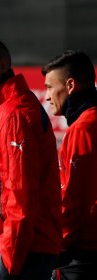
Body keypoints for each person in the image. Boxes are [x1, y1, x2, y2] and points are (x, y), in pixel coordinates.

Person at [0, 35, 62, 280]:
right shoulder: (4, 111)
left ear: (2, 65)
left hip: (18, 252)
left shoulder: (14, 113)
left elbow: (21, 194)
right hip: (9, 248)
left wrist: (8, 262)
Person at [42, 50, 97, 280]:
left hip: (82, 254)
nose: (46, 96)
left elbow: (75, 199)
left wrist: (58, 246)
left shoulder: (83, 128)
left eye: (49, 87)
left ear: (71, 85)